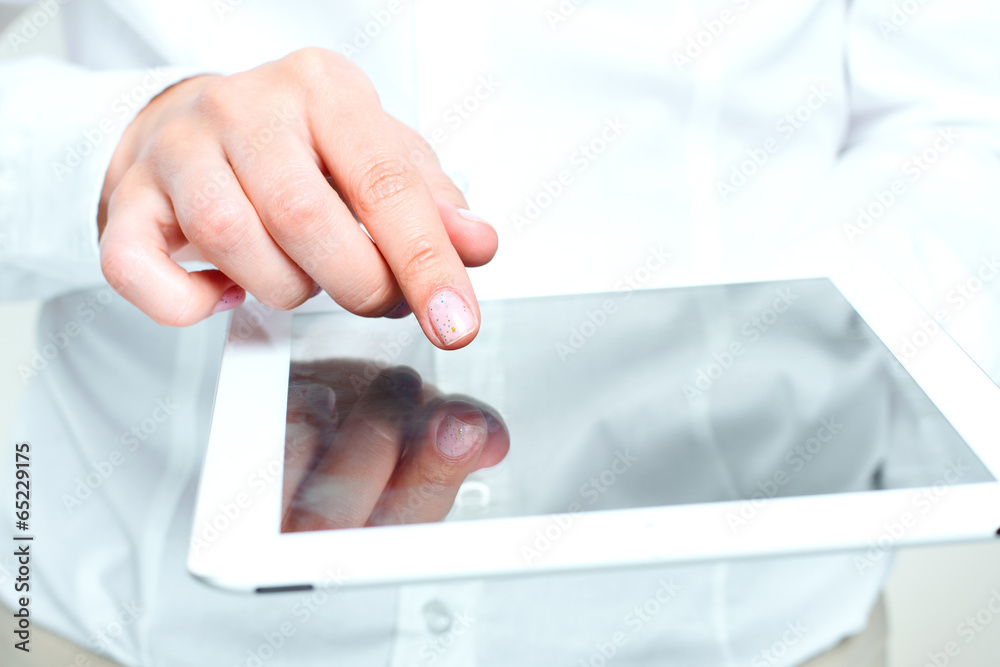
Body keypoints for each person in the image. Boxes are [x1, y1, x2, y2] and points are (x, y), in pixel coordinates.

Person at [2, 1, 999, 665]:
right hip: (127, 621)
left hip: (750, 630)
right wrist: (116, 148)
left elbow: (960, 116)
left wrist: (799, 340)